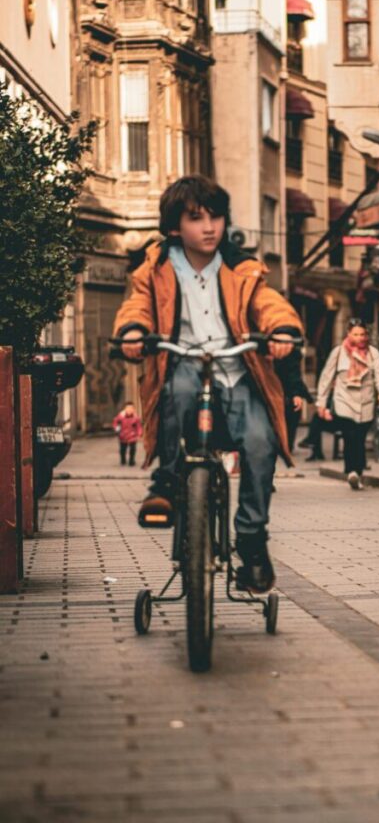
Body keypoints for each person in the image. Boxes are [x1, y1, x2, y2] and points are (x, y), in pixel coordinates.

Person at [112, 175, 303, 593]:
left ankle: (252, 539)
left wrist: (283, 328)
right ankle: (165, 482)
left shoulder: (241, 267)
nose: (210, 226)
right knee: (177, 390)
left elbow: (266, 303)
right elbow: (138, 304)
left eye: (215, 216)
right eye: (196, 218)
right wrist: (131, 330)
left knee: (260, 440)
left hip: (235, 371)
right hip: (181, 362)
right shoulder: (156, 267)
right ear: (175, 225)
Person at [315, 318, 379, 489]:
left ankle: (357, 472)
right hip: (344, 400)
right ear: (348, 334)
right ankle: (352, 471)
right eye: (356, 334)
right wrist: (321, 403)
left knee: (360, 437)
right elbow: (326, 378)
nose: (360, 338)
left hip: (366, 402)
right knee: (349, 436)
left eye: (363, 334)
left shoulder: (373, 353)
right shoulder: (338, 352)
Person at [112, 402, 143, 466]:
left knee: (133, 448)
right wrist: (117, 429)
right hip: (123, 435)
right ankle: (123, 460)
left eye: (131, 408)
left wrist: (139, 433)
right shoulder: (120, 416)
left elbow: (138, 426)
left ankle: (131, 460)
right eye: (128, 408)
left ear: (133, 409)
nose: (129, 410)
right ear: (125, 409)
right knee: (123, 449)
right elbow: (115, 423)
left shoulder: (136, 418)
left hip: (132, 435)